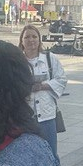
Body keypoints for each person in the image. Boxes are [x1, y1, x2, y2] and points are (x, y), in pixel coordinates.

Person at [20, 24, 68, 157]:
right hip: (25, 115)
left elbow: (61, 79)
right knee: (27, 153)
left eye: (34, 36)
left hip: (47, 114)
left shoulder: (49, 58)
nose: (31, 40)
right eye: (27, 37)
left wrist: (42, 86)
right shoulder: (18, 61)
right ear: (22, 41)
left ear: (39, 39)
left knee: (50, 152)